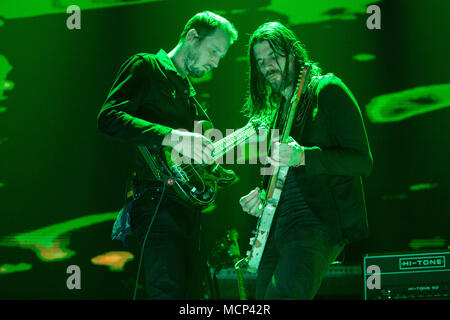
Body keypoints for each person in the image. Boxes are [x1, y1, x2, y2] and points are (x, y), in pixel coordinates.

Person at [97, 11, 238, 299]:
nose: (216, 62)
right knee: (166, 291)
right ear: (191, 37)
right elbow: (108, 118)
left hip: (189, 213)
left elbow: (201, 158)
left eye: (221, 57)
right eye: (213, 51)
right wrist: (175, 136)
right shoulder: (146, 66)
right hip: (155, 203)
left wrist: (224, 161)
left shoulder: (190, 97)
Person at [239, 21, 373, 299]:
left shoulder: (328, 90)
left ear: (293, 53)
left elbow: (362, 161)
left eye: (273, 56)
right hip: (277, 229)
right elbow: (279, 179)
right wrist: (261, 195)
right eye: (260, 61)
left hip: (315, 223)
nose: (267, 66)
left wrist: (304, 156)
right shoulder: (279, 114)